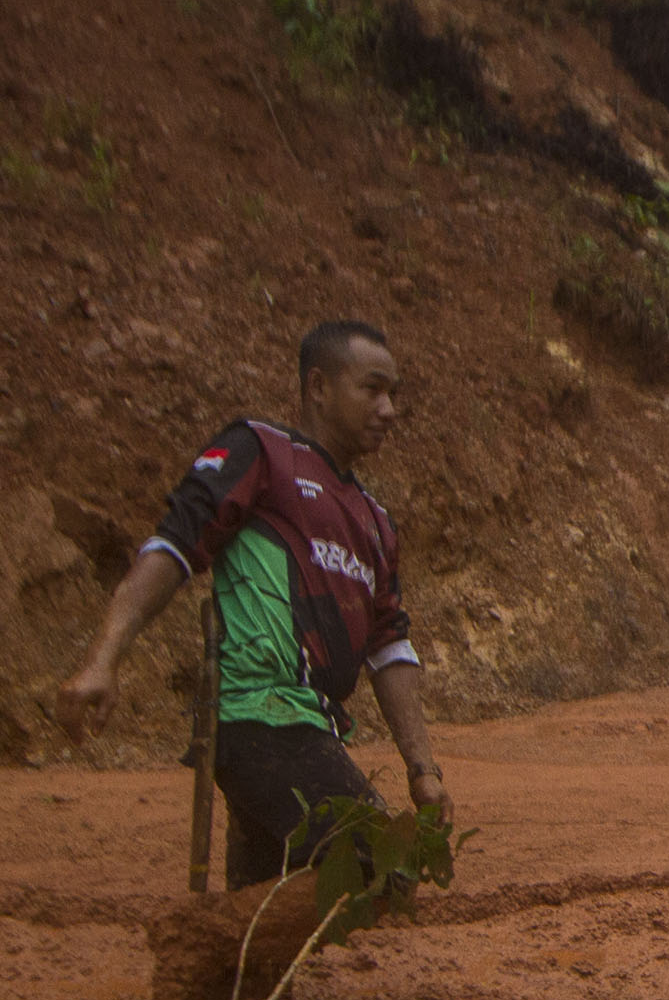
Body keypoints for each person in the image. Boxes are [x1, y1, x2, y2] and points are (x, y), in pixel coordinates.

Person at [60, 318, 451, 884]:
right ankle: (207, 935)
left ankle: (222, 940)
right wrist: (103, 660)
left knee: (271, 907)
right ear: (319, 387)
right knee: (380, 869)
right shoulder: (261, 453)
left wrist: (423, 770)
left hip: (311, 728)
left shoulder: (376, 522)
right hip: (258, 719)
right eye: (372, 389)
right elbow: (173, 547)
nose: (389, 409)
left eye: (393, 393)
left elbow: (389, 645)